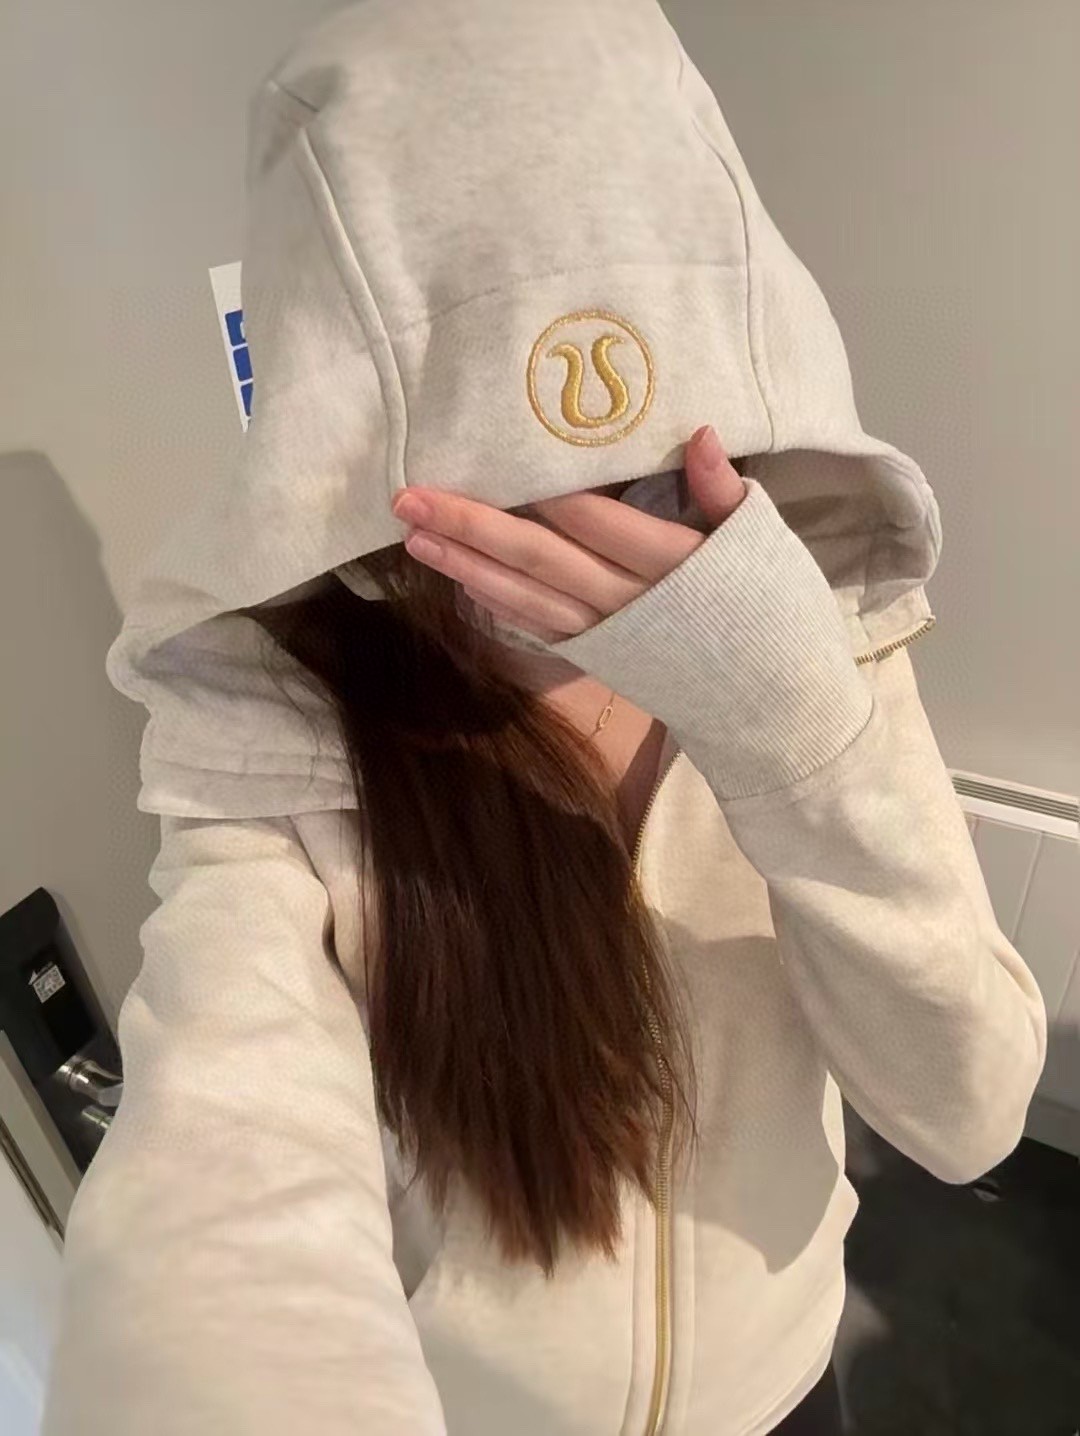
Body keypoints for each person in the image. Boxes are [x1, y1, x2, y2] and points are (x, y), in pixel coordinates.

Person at [41, 2, 1047, 1433]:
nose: (574, 532)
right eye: (501, 478)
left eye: (641, 466)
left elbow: (969, 1114)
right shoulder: (281, 739)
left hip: (788, 1392)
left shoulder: (818, 644)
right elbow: (220, 1192)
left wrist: (788, 724)